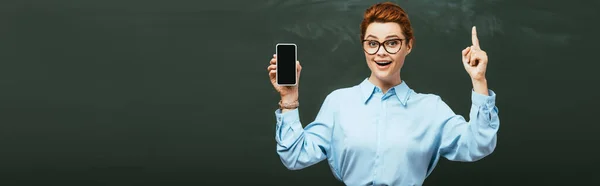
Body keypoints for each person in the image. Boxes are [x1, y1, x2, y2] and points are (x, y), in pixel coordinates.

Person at [266, 2, 499, 185]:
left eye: (392, 43)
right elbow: (294, 156)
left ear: (408, 46)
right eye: (372, 43)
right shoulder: (338, 103)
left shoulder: (431, 108)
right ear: (364, 46)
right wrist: (288, 99)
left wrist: (479, 81)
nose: (381, 53)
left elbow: (478, 145)